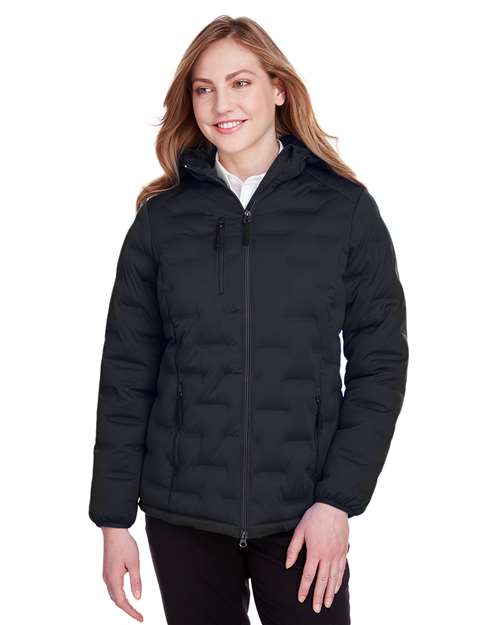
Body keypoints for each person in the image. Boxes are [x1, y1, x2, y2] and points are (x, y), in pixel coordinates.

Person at [88, 14, 409, 625]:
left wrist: (337, 502)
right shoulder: (161, 221)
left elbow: (381, 366)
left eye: (240, 83)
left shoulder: (345, 212)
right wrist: (113, 519)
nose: (221, 105)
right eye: (204, 89)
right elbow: (127, 372)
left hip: (303, 514)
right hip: (182, 517)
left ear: (278, 89)